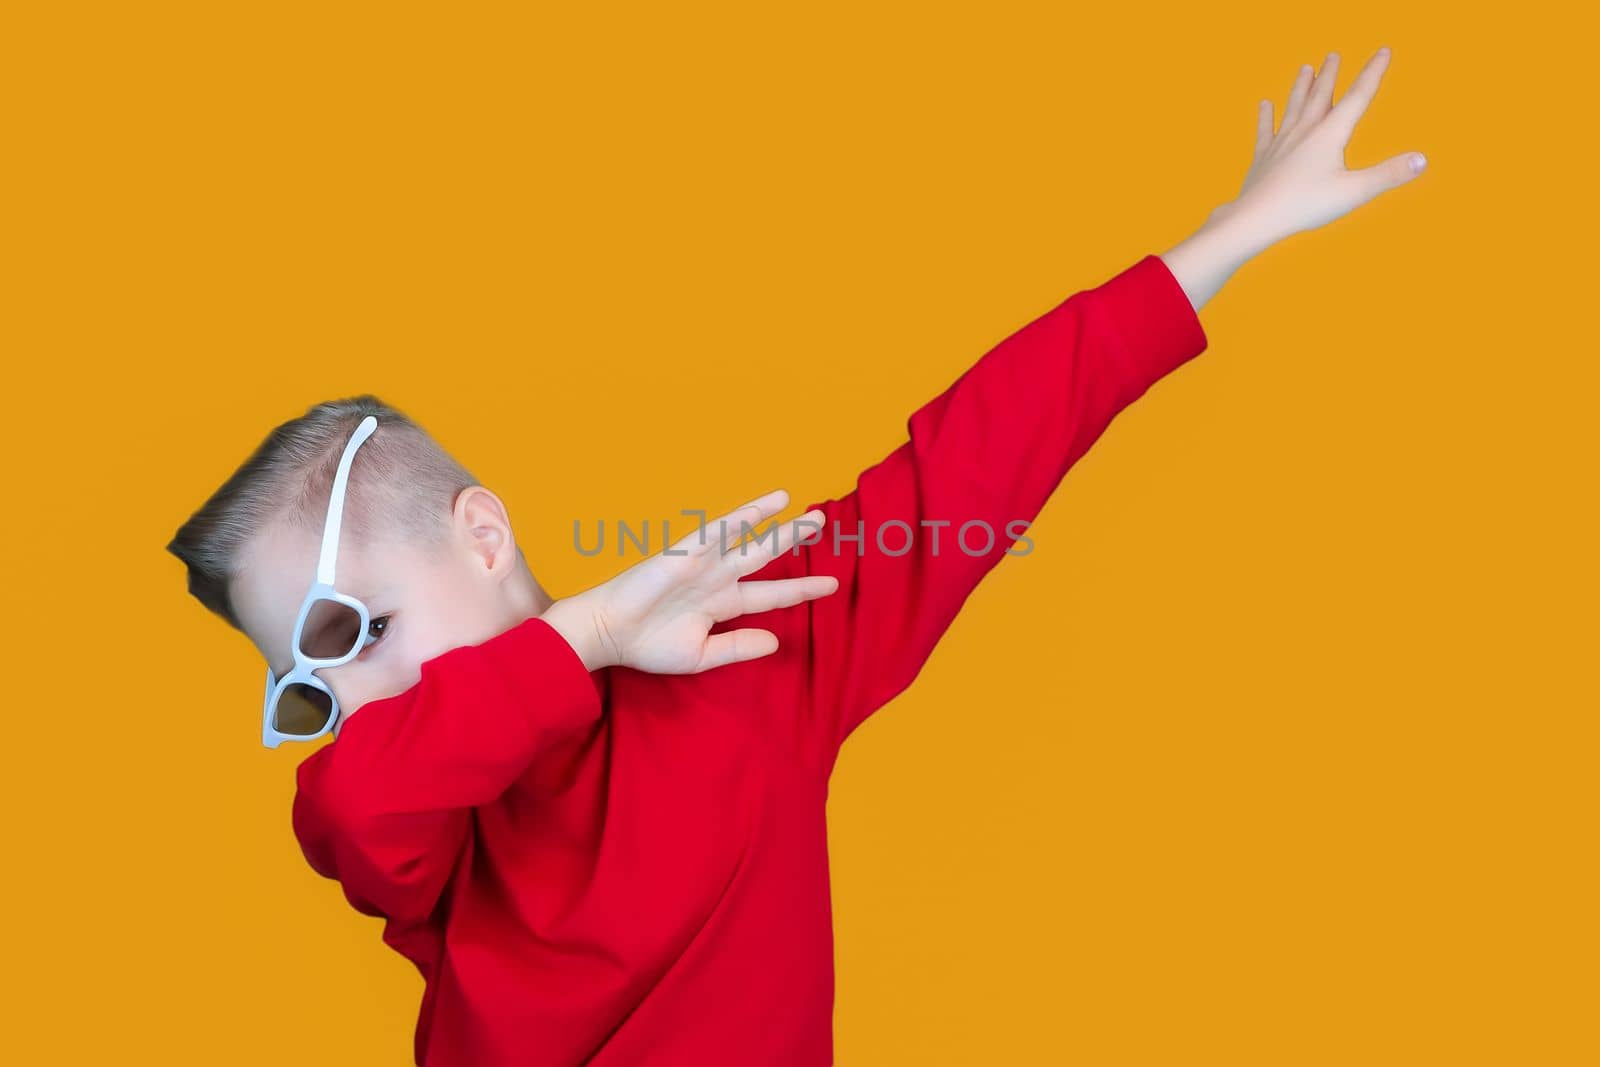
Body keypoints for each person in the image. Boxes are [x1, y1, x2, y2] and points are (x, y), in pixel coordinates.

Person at [166, 46, 1424, 1067]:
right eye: (309, 687)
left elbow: (975, 458)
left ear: (482, 533)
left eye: (357, 630)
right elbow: (350, 800)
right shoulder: (439, 846)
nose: (358, 701)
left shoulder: (750, 648)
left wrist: (1231, 235)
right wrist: (587, 638)